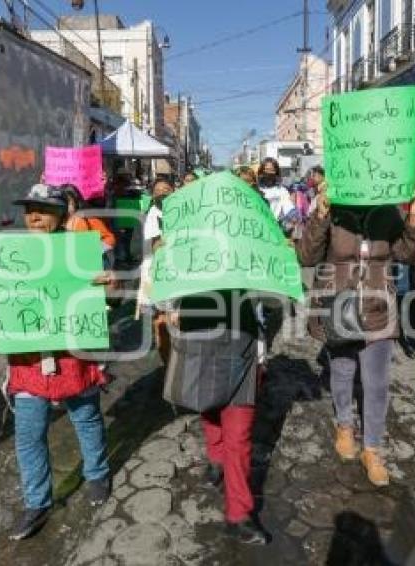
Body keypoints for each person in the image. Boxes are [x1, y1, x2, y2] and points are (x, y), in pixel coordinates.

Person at [4, 184, 112, 541]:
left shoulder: (81, 251)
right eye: (29, 209)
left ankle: (97, 473)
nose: (34, 216)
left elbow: (109, 291)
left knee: (86, 416)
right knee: (28, 434)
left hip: (72, 356)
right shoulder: (10, 253)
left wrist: (105, 284)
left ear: (61, 215)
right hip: (29, 359)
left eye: (43, 209)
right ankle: (37, 502)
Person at [297, 191, 415, 486]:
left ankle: (372, 448)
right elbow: (306, 256)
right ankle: (344, 425)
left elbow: (406, 254)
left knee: (376, 382)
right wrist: (320, 216)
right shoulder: (334, 210)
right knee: (342, 371)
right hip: (338, 307)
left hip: (378, 307)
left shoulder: (389, 212)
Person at [166, 290, 269, 545]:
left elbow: (269, 295)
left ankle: (239, 513)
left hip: (242, 339)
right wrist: (169, 305)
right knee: (209, 405)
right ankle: (216, 457)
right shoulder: (179, 248)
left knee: (240, 434)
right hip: (198, 329)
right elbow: (161, 285)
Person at [139, 178, 176, 366]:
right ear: (153, 195)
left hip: (179, 274)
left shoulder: (182, 212)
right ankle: (167, 364)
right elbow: (156, 246)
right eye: (158, 190)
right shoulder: (152, 214)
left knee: (176, 319)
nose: (162, 192)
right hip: (156, 273)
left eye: (166, 189)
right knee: (160, 320)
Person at [60, 184, 117, 270]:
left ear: (76, 203)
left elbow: (110, 239)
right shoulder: (57, 221)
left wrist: (94, 250)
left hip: (92, 263)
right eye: (62, 203)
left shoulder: (86, 219)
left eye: (69, 203)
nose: (66, 207)